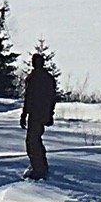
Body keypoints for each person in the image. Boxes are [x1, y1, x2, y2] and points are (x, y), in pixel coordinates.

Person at [20, 45, 59, 180]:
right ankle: (40, 166)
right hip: (39, 114)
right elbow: (51, 98)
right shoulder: (46, 78)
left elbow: (30, 97)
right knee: (35, 140)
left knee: (32, 141)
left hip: (37, 114)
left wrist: (25, 114)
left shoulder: (36, 78)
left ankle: (39, 168)